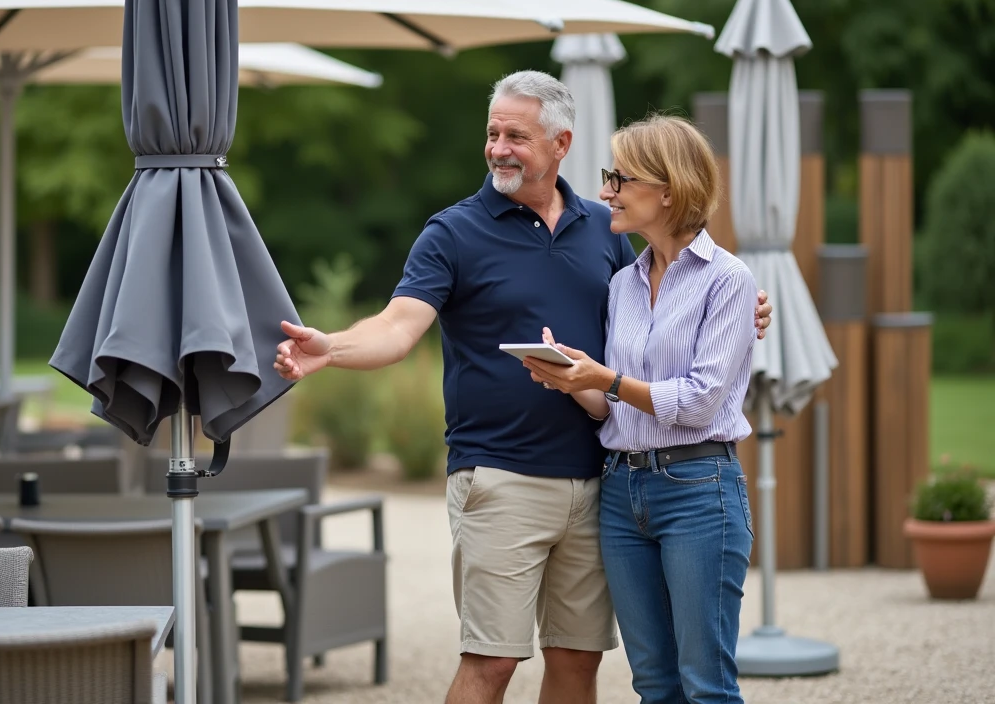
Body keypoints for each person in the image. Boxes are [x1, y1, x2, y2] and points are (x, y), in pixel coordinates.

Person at [274, 71, 770, 704]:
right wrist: (332, 348)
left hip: (603, 486)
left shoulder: (608, 231)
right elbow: (399, 328)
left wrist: (744, 306)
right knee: (493, 662)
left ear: (561, 143)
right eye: (492, 133)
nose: (498, 148)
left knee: (576, 660)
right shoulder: (452, 232)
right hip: (500, 479)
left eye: (516, 135)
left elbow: (672, 293)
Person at [523, 114, 758, 704]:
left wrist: (607, 377)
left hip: (699, 489)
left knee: (706, 685)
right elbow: (612, 408)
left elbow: (700, 400)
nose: (605, 192)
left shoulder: (728, 280)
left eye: (618, 178)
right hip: (623, 494)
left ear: (669, 190)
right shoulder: (623, 283)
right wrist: (572, 377)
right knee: (653, 682)